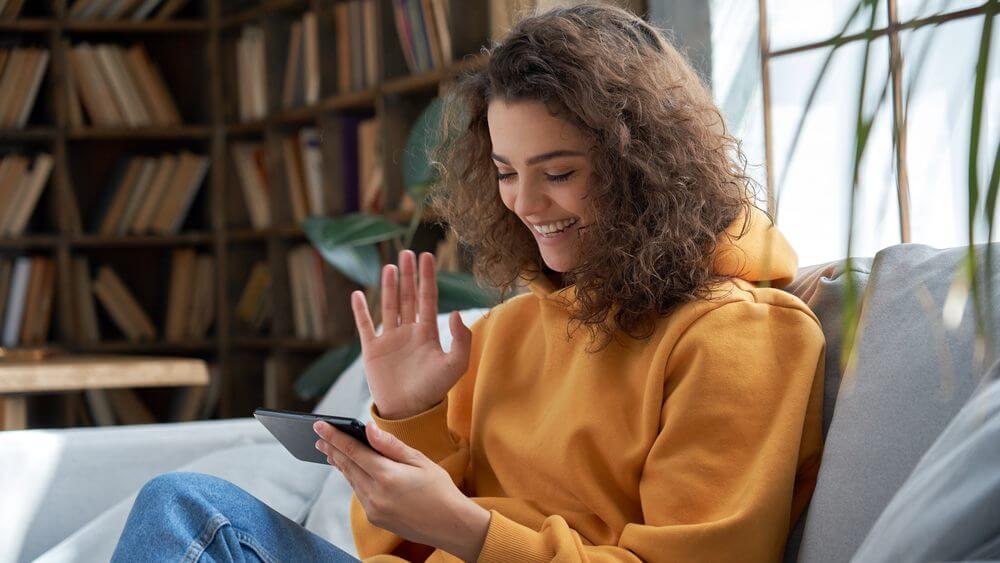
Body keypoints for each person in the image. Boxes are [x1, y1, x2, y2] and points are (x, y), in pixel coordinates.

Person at [112, 4, 826, 562]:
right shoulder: (515, 328)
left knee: (192, 517)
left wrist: (467, 527)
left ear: (649, 164)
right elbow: (391, 547)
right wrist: (409, 411)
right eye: (508, 173)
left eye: (559, 172)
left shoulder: (741, 335)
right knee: (187, 511)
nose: (526, 204)